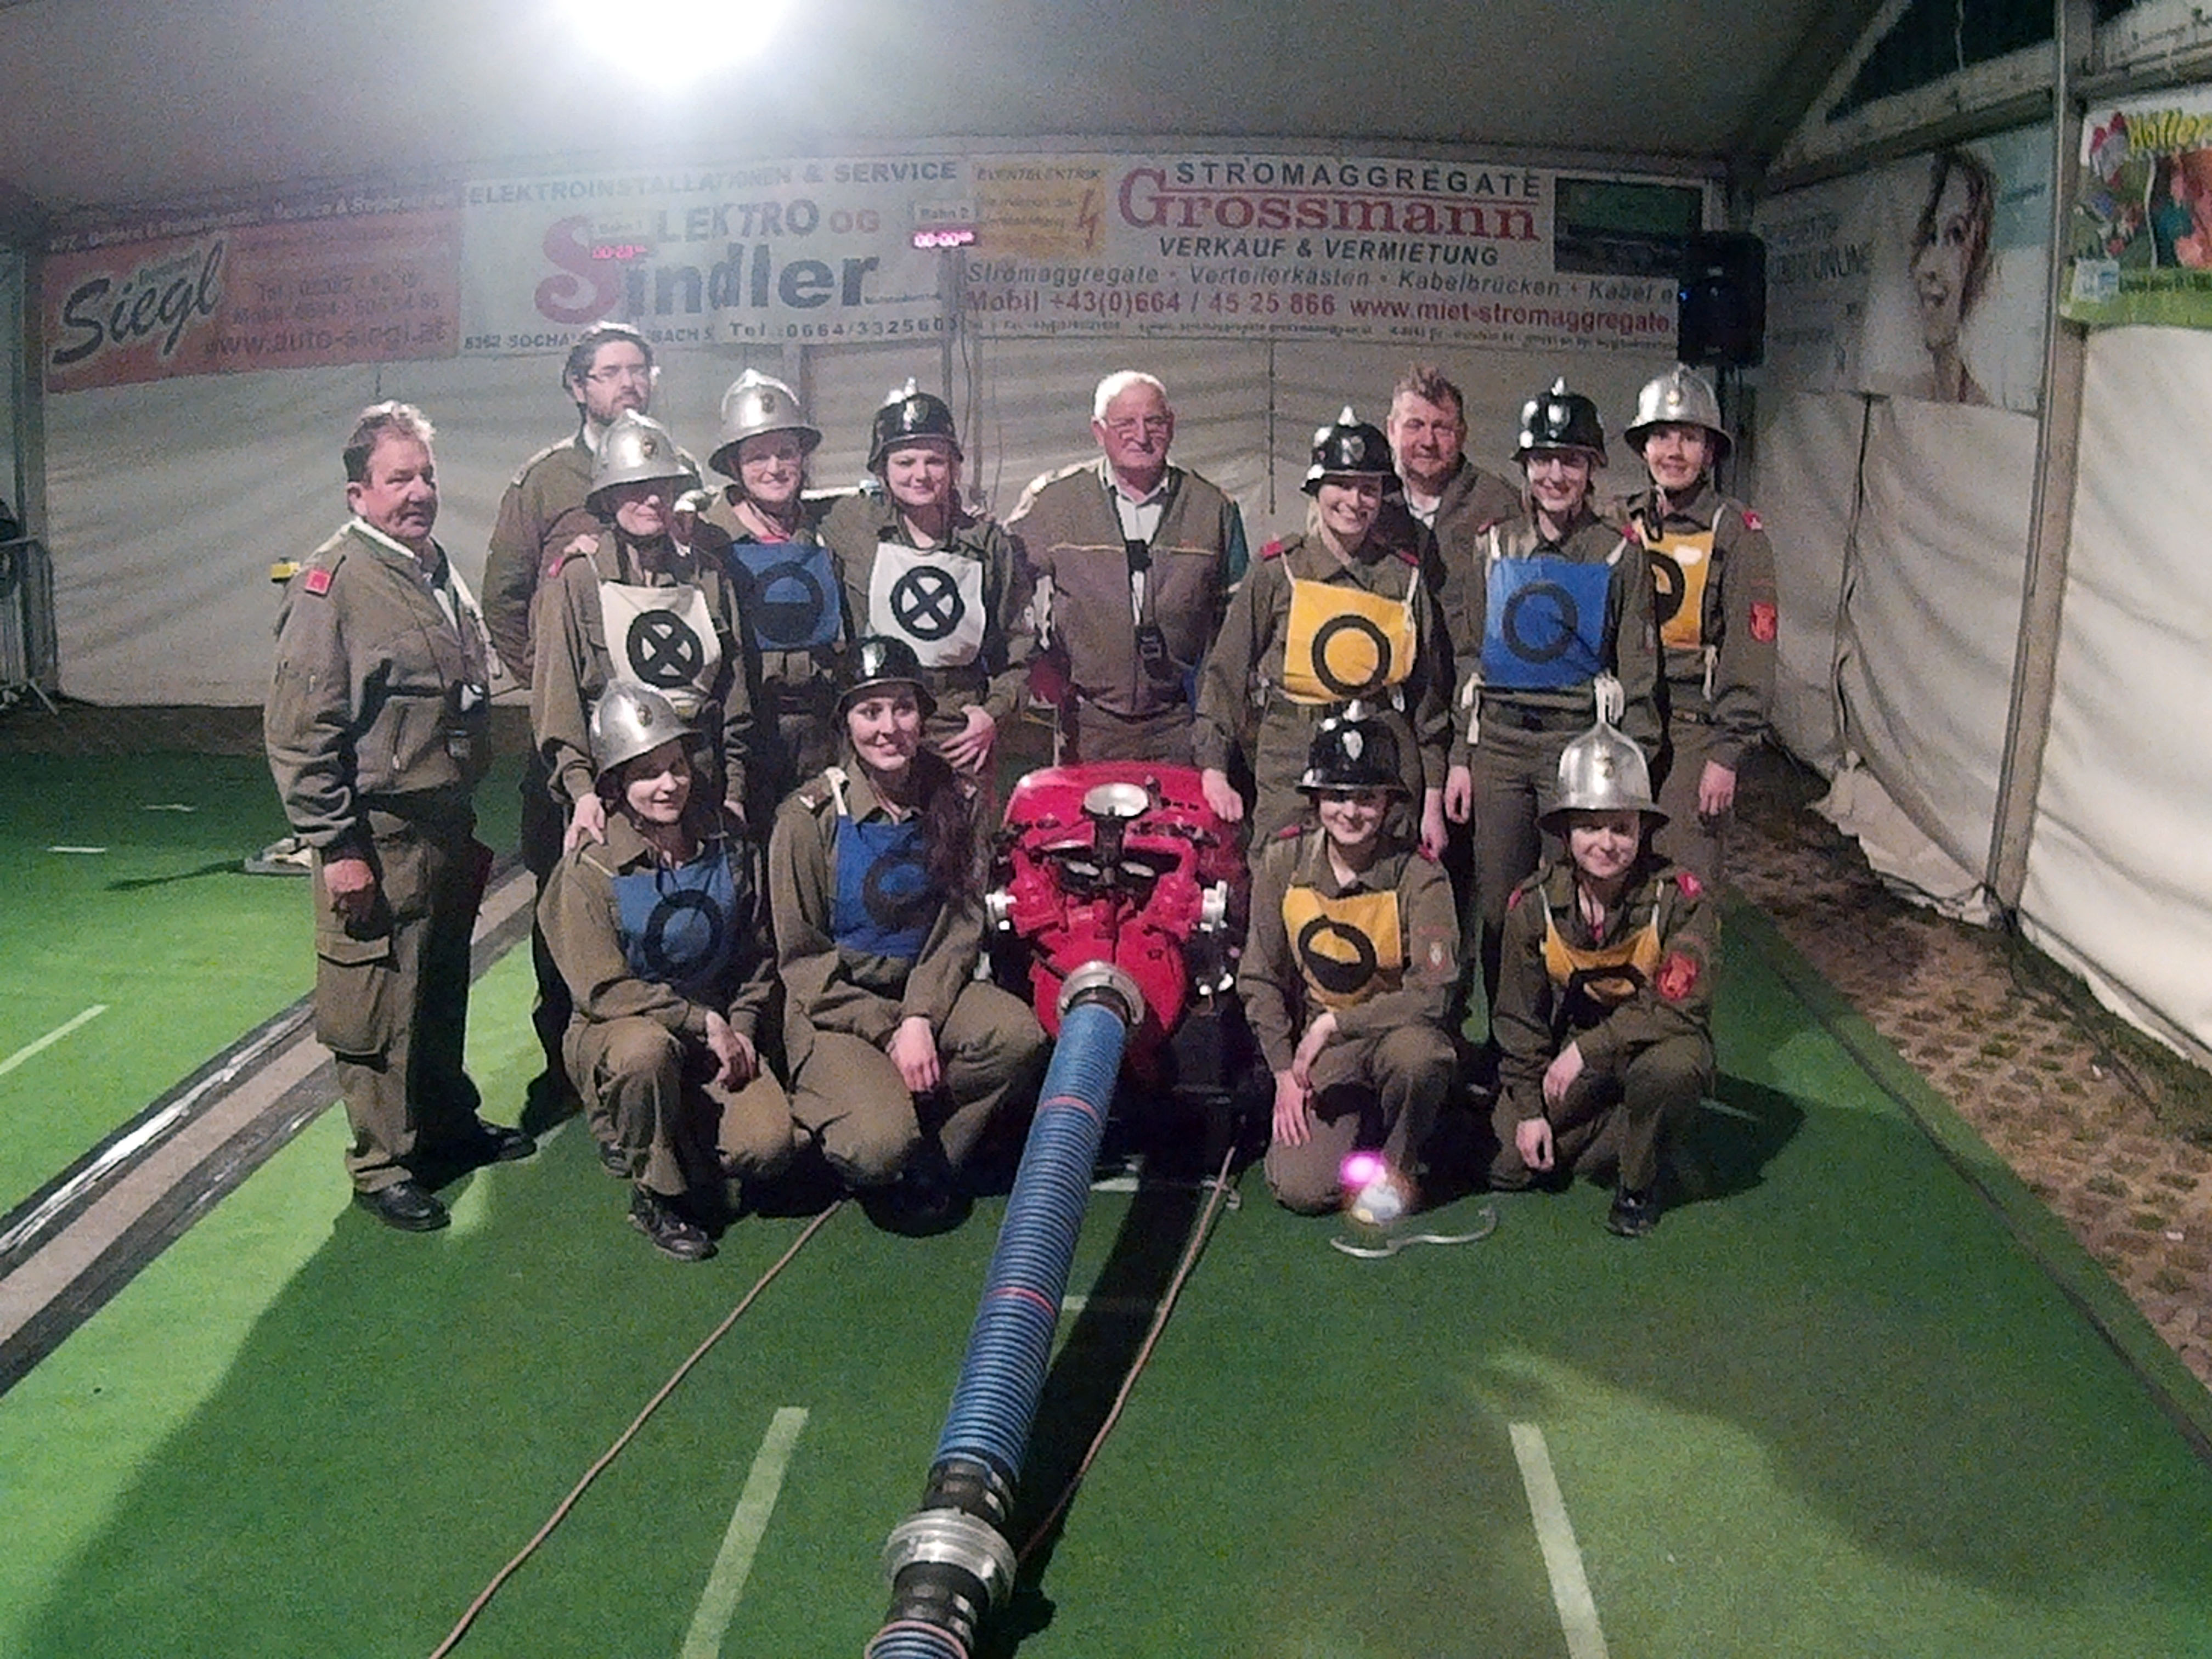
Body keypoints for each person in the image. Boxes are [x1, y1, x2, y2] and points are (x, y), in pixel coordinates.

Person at [264, 402, 533, 1232]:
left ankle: (445, 1126)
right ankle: (382, 1163)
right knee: (377, 1004)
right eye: (398, 479)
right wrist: (336, 847)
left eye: (426, 476)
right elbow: (302, 733)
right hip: (378, 836)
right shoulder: (335, 584)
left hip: (443, 824)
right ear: (358, 494)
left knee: (439, 988)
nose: (418, 492)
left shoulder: (430, 568)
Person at [481, 322, 703, 1099]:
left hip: (669, 747)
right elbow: (505, 599)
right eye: (610, 372)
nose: (629, 384)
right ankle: (566, 1066)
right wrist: (558, 687)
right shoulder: (546, 481)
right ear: (578, 387)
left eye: (639, 370)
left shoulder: (675, 466)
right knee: (568, 905)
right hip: (581, 750)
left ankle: (674, 1054)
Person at [768, 635, 1048, 1227]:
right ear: (846, 724)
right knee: (875, 1146)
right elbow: (803, 963)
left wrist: (919, 1014)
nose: (889, 728)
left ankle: (933, 1154)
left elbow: (961, 923)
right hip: (838, 1007)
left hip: (924, 990)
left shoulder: (957, 799)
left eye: (903, 708)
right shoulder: (807, 819)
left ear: (923, 715)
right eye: (870, 712)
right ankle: (863, 1126)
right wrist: (890, 1028)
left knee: (1015, 1036)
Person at [539, 681, 795, 1262]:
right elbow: (603, 990)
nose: (669, 784)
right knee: (645, 1055)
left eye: (677, 766)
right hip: (623, 1026)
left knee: (769, 1147)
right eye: (647, 773)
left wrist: (742, 1029)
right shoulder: (590, 867)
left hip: (715, 1026)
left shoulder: (725, 840)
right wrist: (701, 1021)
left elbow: (756, 954)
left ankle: (678, 1128)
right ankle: (653, 1191)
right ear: (616, 785)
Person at [1441, 379, 1660, 1013]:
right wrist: (1461, 757)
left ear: (1592, 468)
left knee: (1572, 900)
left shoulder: (1618, 556)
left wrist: (1630, 785)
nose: (1555, 475)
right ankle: (1508, 1037)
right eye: (1543, 460)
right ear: (1526, 466)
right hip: (1500, 747)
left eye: (1570, 460)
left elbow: (1639, 678)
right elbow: (1470, 660)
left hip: (1579, 748)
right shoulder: (1492, 548)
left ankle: (1571, 1033)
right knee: (1499, 906)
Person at [1488, 717, 1715, 1237]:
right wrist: (1530, 1110)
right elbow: (1518, 1019)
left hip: (1656, 1042)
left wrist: (1587, 1050)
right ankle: (1631, 1125)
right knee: (1510, 1164)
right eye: (1591, 827)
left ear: (1642, 830)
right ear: (1566, 832)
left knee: (1673, 1071)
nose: (1606, 843)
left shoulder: (1679, 899)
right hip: (1580, 1050)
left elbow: (1680, 1006)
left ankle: (1638, 1184)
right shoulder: (1534, 903)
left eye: (1621, 827)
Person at [1195, 407, 1451, 851]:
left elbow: (1428, 699)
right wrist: (1214, 767)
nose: (1355, 501)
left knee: (1381, 880)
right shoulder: (1278, 572)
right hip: (1292, 755)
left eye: (1368, 489)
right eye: (1342, 485)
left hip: (1383, 758)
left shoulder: (1403, 579)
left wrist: (1432, 800)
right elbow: (1226, 674)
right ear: (1317, 488)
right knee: (1281, 871)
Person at [532, 410, 757, 907]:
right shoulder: (578, 581)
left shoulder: (707, 576)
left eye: (662, 487)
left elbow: (734, 694)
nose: (653, 500)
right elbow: (559, 702)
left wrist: (734, 791)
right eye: (635, 488)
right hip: (618, 794)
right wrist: (582, 793)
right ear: (609, 498)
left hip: (701, 786)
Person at [1238, 713, 1458, 1215]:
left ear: (1388, 803)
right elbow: (1259, 976)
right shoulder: (1283, 861)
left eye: (1366, 798)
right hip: (1325, 1049)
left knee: (1420, 1061)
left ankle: (1400, 1163)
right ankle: (1366, 1121)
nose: (1351, 812)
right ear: (1316, 800)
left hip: (1396, 1031)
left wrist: (1337, 1024)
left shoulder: (1419, 875)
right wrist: (1283, 1073)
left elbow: (1433, 994)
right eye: (1337, 796)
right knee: (1302, 1190)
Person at [1006, 370, 1248, 763]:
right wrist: (1034, 660)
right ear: (1098, 431)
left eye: (1154, 422)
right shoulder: (1053, 501)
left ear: (1172, 426)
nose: (1141, 436)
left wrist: (1214, 726)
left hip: (1180, 722)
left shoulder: (1213, 508)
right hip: (1083, 722)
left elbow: (1237, 630)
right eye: (1125, 424)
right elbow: (1004, 588)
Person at [819, 383, 1032, 777]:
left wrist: (993, 713)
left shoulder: (988, 544)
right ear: (881, 469)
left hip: (956, 733)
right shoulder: (850, 526)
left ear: (954, 467)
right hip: (877, 730)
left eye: (935, 461)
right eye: (905, 462)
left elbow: (1020, 645)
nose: (921, 475)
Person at [1619, 364, 1778, 888]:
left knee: (1683, 881)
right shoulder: (1624, 524)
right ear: (1644, 447)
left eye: (1689, 438)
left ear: (1709, 452)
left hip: (1694, 729)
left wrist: (1727, 755)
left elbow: (1751, 651)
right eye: (1662, 436)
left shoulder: (1737, 534)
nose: (1674, 451)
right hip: (1626, 722)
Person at [699, 369, 844, 806]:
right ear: (734, 466)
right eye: (758, 457)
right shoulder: (706, 538)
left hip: (821, 730)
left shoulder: (829, 531)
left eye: (786, 453)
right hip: (746, 733)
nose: (775, 469)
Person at [1909, 148, 1996, 407]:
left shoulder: (1985, 413)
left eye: (1956, 236)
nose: (1930, 267)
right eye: (1930, 237)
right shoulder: (1903, 399)